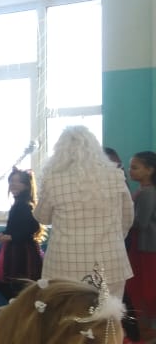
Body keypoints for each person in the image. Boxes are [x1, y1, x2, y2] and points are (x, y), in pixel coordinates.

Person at [36, 126, 133, 300]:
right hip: (110, 262)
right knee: (108, 313)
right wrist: (115, 237)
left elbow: (42, 217)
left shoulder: (52, 180)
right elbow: (128, 216)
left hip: (64, 264)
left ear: (60, 150)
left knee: (66, 313)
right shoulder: (115, 175)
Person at [0, 167, 44, 302]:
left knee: (19, 288)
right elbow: (15, 227)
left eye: (18, 181)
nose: (13, 184)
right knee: (16, 289)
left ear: (26, 185)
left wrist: (11, 236)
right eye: (11, 181)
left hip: (22, 254)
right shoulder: (19, 203)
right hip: (16, 251)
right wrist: (3, 233)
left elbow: (32, 227)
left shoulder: (25, 205)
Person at [123, 150, 156, 344]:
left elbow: (141, 222)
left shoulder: (148, 192)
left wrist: (122, 219)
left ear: (149, 170)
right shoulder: (144, 190)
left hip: (146, 247)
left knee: (147, 286)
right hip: (142, 245)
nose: (131, 170)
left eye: (135, 167)